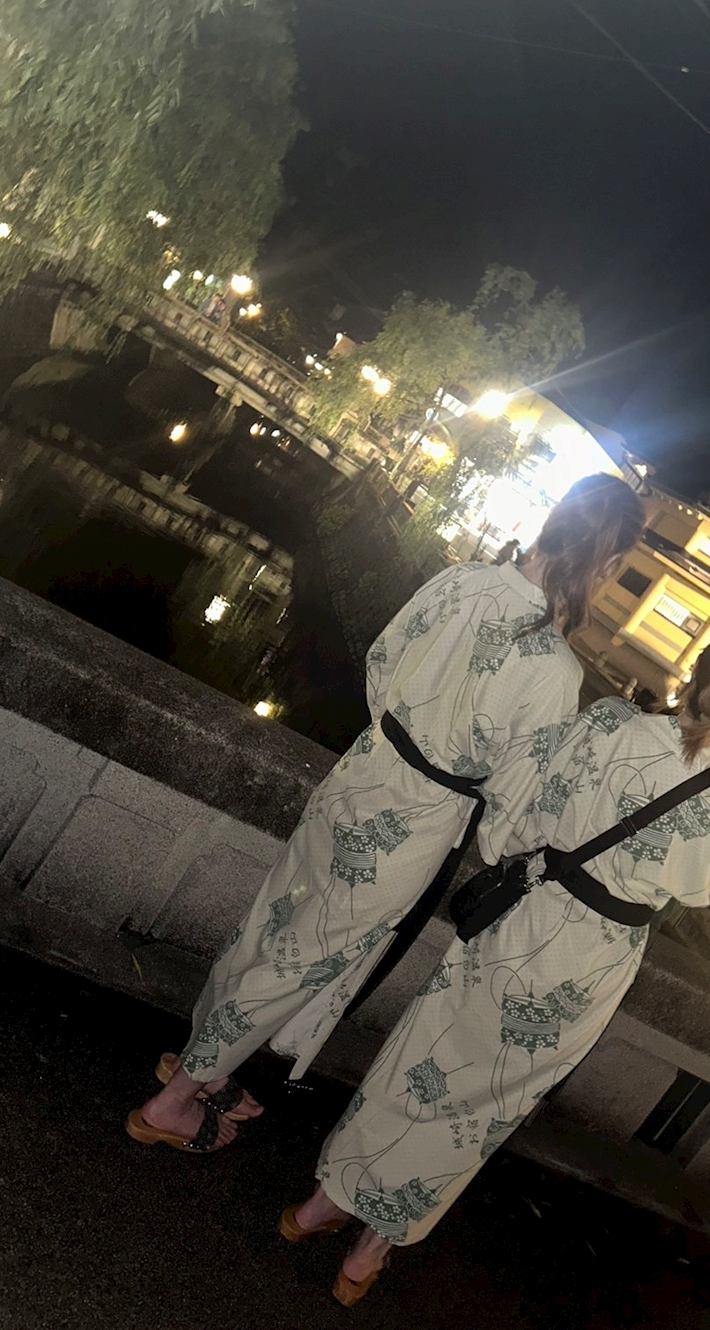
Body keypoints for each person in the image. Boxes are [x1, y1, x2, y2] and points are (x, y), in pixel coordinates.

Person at [287, 623, 710, 1305]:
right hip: (587, 963)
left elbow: (521, 799)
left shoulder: (606, 722)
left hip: (527, 909)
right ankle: (368, 1252)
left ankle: (322, 1204)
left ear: (697, 670)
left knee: (424, 1050)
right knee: (483, 1103)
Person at [126, 474, 644, 1155]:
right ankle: (173, 1101)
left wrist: (402, 735)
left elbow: (381, 661)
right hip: (418, 820)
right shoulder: (554, 670)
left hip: (365, 768)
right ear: (606, 564)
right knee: (304, 958)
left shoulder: (461, 580)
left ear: (553, 520)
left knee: (273, 919)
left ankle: (202, 1059)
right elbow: (513, 802)